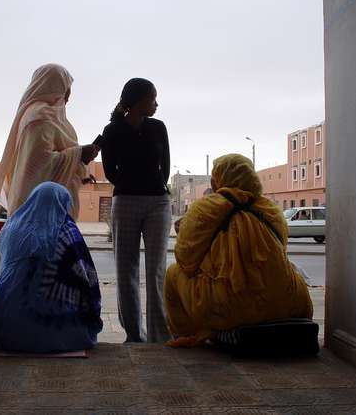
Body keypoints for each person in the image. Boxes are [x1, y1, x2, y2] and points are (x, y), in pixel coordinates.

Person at [164, 154, 313, 347]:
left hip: (227, 308)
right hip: (284, 304)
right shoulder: (271, 209)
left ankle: (192, 337)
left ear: (218, 180)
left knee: (173, 275)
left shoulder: (204, 208)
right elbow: (280, 249)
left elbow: (186, 260)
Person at [0, 182, 102, 353]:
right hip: (55, 330)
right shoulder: (66, 230)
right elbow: (85, 274)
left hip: (3, 325)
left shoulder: (11, 227)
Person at [101, 78, 171, 343]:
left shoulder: (158, 127)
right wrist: (130, 185)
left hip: (158, 203)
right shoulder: (112, 131)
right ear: (138, 100)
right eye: (153, 98)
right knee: (125, 269)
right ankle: (134, 335)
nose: (156, 103)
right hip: (126, 201)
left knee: (156, 270)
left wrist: (156, 185)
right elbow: (109, 171)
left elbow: (165, 164)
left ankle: (158, 336)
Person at [0, 64, 99, 218]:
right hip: (40, 214)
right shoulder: (39, 116)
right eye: (66, 87)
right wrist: (80, 153)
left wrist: (78, 169)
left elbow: (56, 158)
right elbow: (38, 166)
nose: (69, 94)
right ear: (54, 86)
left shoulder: (52, 115)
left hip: (53, 208)